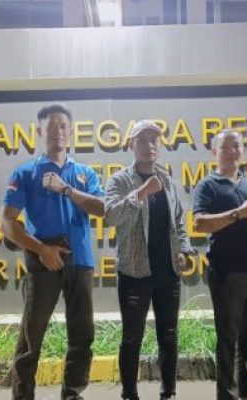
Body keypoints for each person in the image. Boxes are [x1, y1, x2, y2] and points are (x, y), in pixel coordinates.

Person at [0, 104, 105, 400]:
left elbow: (103, 209)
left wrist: (66, 190)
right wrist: (42, 249)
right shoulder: (26, 173)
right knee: (31, 338)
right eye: (51, 126)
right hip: (44, 262)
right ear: (39, 132)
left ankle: (72, 394)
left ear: (70, 132)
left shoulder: (84, 173)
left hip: (80, 262)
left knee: (82, 336)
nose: (57, 131)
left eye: (62, 125)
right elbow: (6, 223)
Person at [104, 120, 193, 400]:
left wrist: (183, 249)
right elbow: (111, 216)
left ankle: (169, 392)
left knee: (169, 334)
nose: (149, 145)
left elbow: (178, 220)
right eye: (142, 140)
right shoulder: (120, 180)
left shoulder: (166, 179)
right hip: (135, 272)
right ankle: (129, 394)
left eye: (154, 140)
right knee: (132, 338)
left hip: (168, 271)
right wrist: (141, 193)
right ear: (132, 144)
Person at [193, 129, 247, 400]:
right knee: (228, 340)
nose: (232, 151)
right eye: (226, 147)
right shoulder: (208, 185)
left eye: (237, 146)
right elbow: (199, 223)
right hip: (226, 273)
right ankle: (227, 395)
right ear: (214, 152)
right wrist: (237, 214)